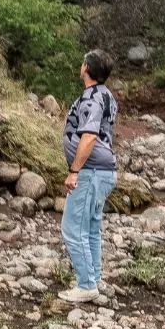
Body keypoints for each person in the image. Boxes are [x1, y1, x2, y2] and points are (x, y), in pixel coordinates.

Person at [58, 48, 118, 305]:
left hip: (91, 172)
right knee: (92, 227)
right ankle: (93, 279)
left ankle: (85, 285)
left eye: (83, 62)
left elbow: (90, 135)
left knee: (72, 228)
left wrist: (75, 171)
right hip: (102, 172)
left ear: (86, 69)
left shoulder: (93, 98)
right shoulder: (106, 95)